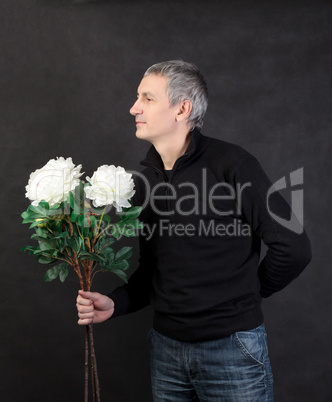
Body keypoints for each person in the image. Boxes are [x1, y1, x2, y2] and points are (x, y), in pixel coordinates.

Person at [76, 60, 312, 401]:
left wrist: (247, 294)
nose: (134, 107)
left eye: (147, 98)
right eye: (137, 97)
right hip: (166, 352)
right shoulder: (145, 180)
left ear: (181, 108)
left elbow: (294, 248)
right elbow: (153, 270)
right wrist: (116, 303)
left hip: (232, 352)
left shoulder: (232, 164)